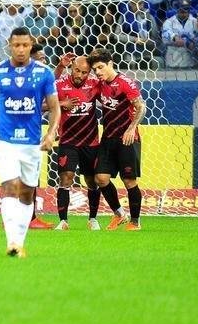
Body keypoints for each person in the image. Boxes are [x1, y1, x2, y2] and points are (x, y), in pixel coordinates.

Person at [0, 27, 61, 257]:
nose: (21, 49)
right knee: (10, 187)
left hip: (32, 143)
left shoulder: (44, 73)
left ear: (31, 44)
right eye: (17, 45)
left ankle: (20, 243)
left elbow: (55, 108)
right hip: (5, 141)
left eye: (25, 45)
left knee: (27, 193)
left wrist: (51, 133)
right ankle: (12, 242)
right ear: (9, 45)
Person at [89, 47, 146, 230]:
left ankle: (135, 222)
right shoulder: (100, 84)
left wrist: (131, 128)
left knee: (129, 180)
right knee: (101, 179)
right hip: (108, 138)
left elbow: (141, 107)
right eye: (95, 69)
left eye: (100, 67)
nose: (98, 72)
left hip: (127, 138)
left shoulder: (125, 83)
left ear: (110, 64)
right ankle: (120, 214)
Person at [52, 52, 101, 230]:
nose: (79, 75)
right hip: (68, 141)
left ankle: (93, 219)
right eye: (77, 70)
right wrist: (61, 104)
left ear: (90, 73)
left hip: (91, 142)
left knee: (92, 181)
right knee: (66, 178)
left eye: (84, 72)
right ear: (71, 68)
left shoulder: (95, 85)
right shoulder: (60, 84)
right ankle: (63, 221)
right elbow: (42, 100)